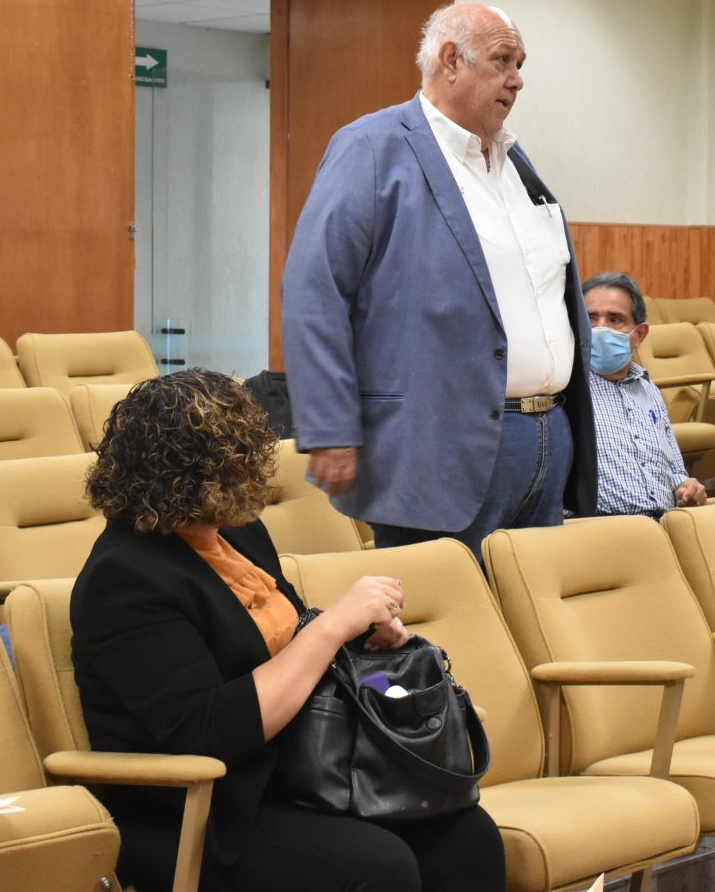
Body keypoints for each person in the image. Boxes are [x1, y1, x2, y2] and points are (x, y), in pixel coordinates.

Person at [70, 370, 505, 892]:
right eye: (237, 461)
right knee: (377, 867)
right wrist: (332, 627)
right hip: (203, 814)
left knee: (468, 837)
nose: (253, 473)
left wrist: (365, 638)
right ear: (193, 475)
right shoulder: (123, 578)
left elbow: (293, 640)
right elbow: (210, 732)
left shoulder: (235, 532)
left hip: (298, 771)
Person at [281, 2, 596, 558]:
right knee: (442, 610)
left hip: (547, 437)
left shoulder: (515, 162)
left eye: (520, 64)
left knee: (530, 611)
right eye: (503, 61)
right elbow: (316, 291)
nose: (517, 79)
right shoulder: (372, 147)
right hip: (436, 447)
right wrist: (330, 427)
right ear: (451, 60)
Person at [580, 272, 706, 517]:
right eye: (590, 318)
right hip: (603, 527)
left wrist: (686, 486)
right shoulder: (565, 392)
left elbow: (675, 470)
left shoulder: (648, 391)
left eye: (615, 319)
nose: (600, 328)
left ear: (639, 335)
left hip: (666, 522)